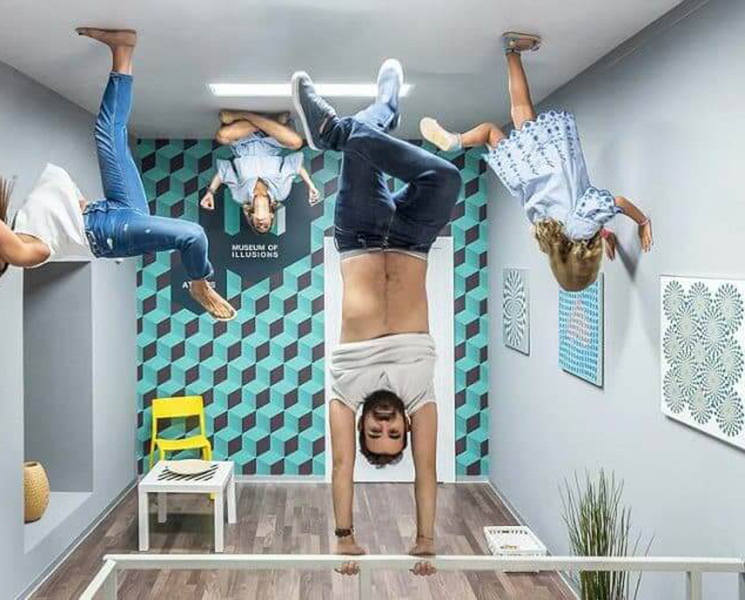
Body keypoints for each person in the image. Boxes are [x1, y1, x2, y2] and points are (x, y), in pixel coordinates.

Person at [0, 28, 236, 320]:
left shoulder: (17, 233)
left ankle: (123, 49)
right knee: (192, 235)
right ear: (0, 268)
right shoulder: (19, 254)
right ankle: (199, 282)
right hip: (109, 233)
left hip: (107, 212)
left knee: (109, 132)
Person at [292, 58, 462, 578]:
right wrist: (425, 540)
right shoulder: (421, 399)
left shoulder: (345, 393)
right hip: (412, 238)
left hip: (360, 235)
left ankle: (352, 122)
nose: (386, 427)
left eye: (376, 433)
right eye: (394, 435)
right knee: (445, 176)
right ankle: (372, 110)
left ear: (362, 425)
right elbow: (427, 472)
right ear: (406, 430)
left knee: (363, 138)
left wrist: (345, 538)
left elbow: (342, 467)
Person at [420, 32, 653, 292]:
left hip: (548, 164)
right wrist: (605, 234)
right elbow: (576, 223)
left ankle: (511, 53)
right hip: (525, 178)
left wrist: (643, 223)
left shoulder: (582, 230)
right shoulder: (552, 242)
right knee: (493, 129)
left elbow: (617, 203)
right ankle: (459, 137)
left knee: (522, 107)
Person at [201, 110, 321, 233]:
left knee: (222, 136)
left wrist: (210, 193)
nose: (261, 224)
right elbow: (294, 166)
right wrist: (311, 186)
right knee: (296, 142)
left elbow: (224, 172)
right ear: (271, 216)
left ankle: (264, 118)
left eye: (257, 226)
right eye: (266, 226)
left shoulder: (240, 196)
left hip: (243, 142)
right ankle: (270, 119)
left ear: (251, 218)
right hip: (272, 140)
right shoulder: (281, 193)